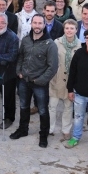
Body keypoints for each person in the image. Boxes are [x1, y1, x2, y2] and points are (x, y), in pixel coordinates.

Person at [10, 13, 58, 147]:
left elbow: (52, 67)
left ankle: (43, 135)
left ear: (44, 25)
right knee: (24, 106)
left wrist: (41, 80)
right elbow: (20, 57)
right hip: (24, 80)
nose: (37, 26)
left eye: (39, 23)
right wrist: (19, 71)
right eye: (35, 23)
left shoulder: (50, 44)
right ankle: (23, 129)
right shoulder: (25, 40)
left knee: (43, 110)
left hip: (39, 84)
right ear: (31, 24)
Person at [49, 20, 78, 139]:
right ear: (64, 29)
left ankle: (66, 129)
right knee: (52, 106)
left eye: (72, 28)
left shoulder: (80, 45)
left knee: (68, 107)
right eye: (67, 28)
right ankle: (50, 128)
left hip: (71, 81)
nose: (69, 30)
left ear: (76, 30)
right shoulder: (56, 42)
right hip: (57, 79)